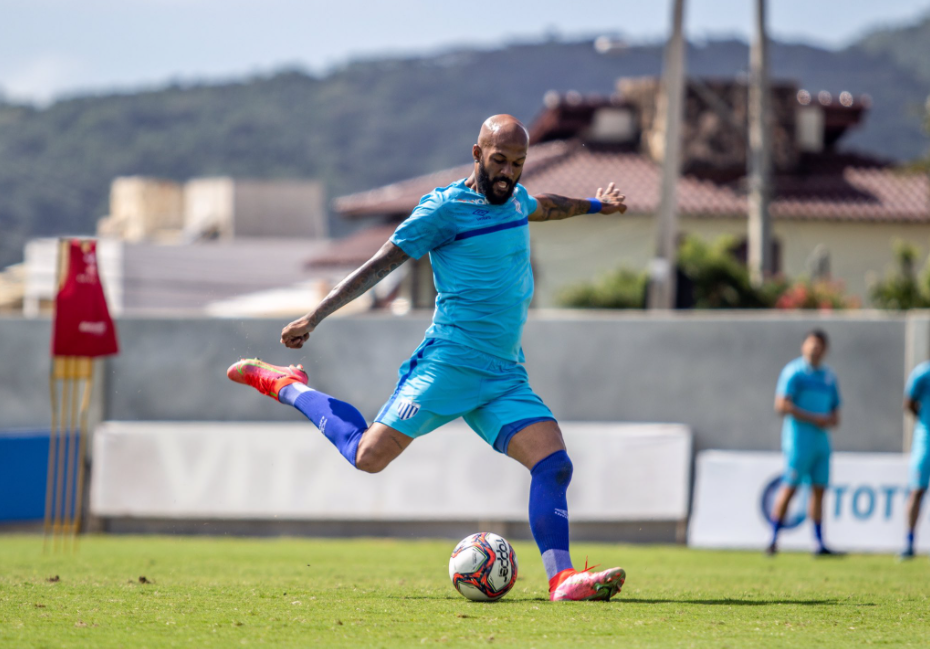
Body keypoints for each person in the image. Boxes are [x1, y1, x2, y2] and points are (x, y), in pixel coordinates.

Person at [228, 115, 629, 601]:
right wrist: (315, 316)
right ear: (477, 153)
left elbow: (546, 207)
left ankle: (562, 580)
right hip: (448, 364)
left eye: (518, 164)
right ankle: (287, 384)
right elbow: (379, 264)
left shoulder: (516, 198)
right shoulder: (443, 210)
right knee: (367, 457)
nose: (508, 173)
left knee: (554, 463)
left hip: (503, 374)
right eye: (499, 160)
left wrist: (594, 205)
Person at [767, 329, 842, 556]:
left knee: (819, 491)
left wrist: (828, 420)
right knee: (789, 488)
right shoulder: (794, 372)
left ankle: (819, 543)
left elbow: (836, 413)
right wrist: (813, 418)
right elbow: (781, 405)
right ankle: (773, 540)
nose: (815, 349)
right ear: (804, 346)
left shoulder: (829, 376)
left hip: (821, 442)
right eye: (811, 344)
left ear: (825, 349)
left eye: (819, 345)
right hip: (799, 441)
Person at [900, 360, 930, 559]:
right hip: (925, 437)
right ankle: (909, 543)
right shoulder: (922, 374)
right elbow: (909, 403)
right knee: (917, 490)